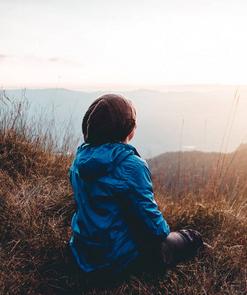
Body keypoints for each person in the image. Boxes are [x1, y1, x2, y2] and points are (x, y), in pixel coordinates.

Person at [69, 93, 206, 277]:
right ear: (127, 128)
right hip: (116, 261)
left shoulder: (80, 159)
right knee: (192, 237)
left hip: (82, 253)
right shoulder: (132, 166)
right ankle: (212, 253)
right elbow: (157, 231)